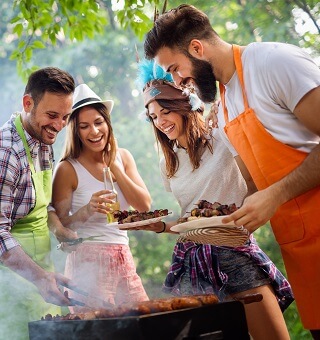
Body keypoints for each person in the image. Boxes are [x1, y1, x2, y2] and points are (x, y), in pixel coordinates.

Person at [143, 4, 320, 336]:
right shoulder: (223, 109)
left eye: (175, 69)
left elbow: (270, 189)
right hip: (300, 249)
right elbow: (252, 186)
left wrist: (276, 194)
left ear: (197, 48)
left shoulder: (272, 62)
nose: (178, 82)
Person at [129, 59, 294, 339]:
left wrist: (244, 223)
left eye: (166, 111)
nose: (161, 122)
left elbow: (253, 183)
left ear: (184, 106)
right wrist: (159, 226)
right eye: (154, 117)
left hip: (234, 252)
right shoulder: (167, 163)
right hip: (191, 261)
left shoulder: (221, 136)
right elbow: (189, 221)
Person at [52, 83, 151, 312]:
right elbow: (60, 226)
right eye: (84, 126)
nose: (94, 132)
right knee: (99, 332)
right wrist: (87, 210)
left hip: (123, 256)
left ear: (107, 122)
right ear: (76, 132)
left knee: (144, 322)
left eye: (98, 122)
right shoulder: (68, 169)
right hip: (87, 262)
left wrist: (116, 168)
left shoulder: (123, 157)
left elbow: (144, 205)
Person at [0, 67, 80, 340]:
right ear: (27, 103)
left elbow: (39, 204)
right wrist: (39, 278)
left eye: (65, 117)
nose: (59, 125)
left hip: (43, 280)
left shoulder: (44, 141)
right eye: (52, 115)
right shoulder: (6, 152)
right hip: (9, 289)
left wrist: (58, 229)